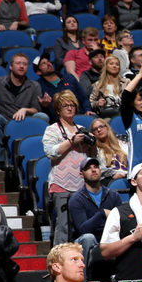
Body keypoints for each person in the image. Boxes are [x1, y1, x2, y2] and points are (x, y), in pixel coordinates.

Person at [0, 54, 48, 172]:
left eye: (25, 64)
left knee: (42, 117)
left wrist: (25, 109)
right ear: (11, 66)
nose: (21, 66)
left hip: (25, 120)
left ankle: (42, 156)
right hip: (5, 120)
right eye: (18, 63)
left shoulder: (34, 85)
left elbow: (36, 109)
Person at [42, 91, 99, 244]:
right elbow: (51, 152)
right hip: (61, 183)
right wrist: (71, 141)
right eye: (65, 105)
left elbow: (93, 155)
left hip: (81, 184)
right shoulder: (52, 129)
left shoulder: (81, 128)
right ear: (58, 110)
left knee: (82, 223)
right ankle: (60, 257)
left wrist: (92, 144)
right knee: (63, 224)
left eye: (72, 105)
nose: (69, 108)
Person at [68, 157, 123, 272]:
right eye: (88, 168)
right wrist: (102, 214)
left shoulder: (113, 195)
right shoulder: (77, 199)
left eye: (96, 167)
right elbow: (83, 229)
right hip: (85, 241)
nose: (93, 170)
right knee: (89, 238)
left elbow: (121, 222)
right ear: (81, 174)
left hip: (109, 237)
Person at [33, 53, 93, 123]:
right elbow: (43, 114)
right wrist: (45, 106)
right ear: (38, 72)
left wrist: (88, 110)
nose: (48, 64)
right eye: (43, 64)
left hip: (80, 116)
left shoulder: (69, 78)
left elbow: (84, 98)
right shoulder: (38, 86)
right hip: (58, 122)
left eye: (48, 61)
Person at [89, 118, 129, 183]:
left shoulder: (122, 144)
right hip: (109, 181)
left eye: (101, 127)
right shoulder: (95, 150)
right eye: (95, 129)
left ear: (107, 128)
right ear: (93, 134)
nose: (99, 130)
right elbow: (98, 168)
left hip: (128, 177)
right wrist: (113, 174)